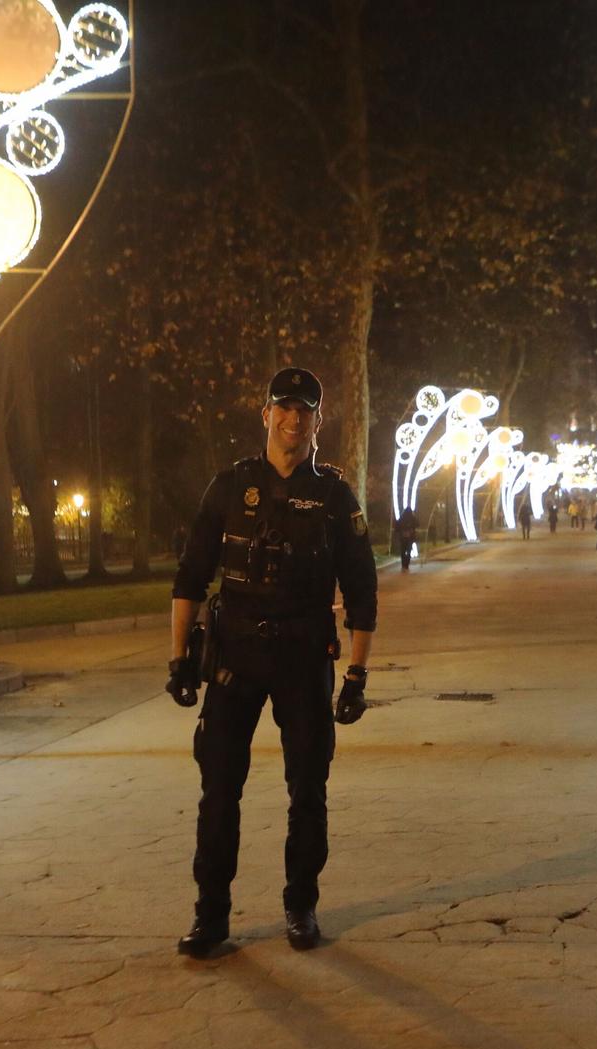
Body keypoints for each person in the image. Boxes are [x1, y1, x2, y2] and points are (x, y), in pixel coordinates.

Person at [167, 367, 378, 957]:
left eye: (304, 410)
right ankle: (211, 916)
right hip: (234, 658)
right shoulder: (230, 487)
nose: (293, 419)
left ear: (317, 420)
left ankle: (301, 906)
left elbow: (363, 593)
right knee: (218, 790)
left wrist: (357, 675)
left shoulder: (335, 498)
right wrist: (180, 658)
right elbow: (190, 576)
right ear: (265, 415)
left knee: (308, 791)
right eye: (282, 408)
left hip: (304, 660)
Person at [393, 508, 420, 573]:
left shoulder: (402, 518)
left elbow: (397, 527)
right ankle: (406, 565)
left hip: (402, 537)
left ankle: (403, 565)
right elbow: (418, 524)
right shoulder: (412, 518)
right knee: (409, 551)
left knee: (403, 551)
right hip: (410, 537)